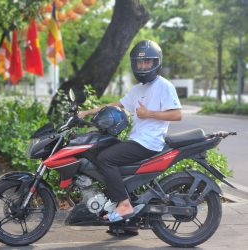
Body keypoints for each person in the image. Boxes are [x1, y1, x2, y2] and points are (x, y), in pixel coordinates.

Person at [78, 40, 182, 223]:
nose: (142, 66)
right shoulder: (138, 89)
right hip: (137, 140)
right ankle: (125, 219)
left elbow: (177, 114)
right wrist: (86, 113)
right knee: (95, 150)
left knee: (105, 159)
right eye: (139, 62)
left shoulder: (164, 86)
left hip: (149, 143)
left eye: (147, 62)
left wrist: (148, 113)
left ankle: (124, 205)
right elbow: (115, 105)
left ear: (155, 63)